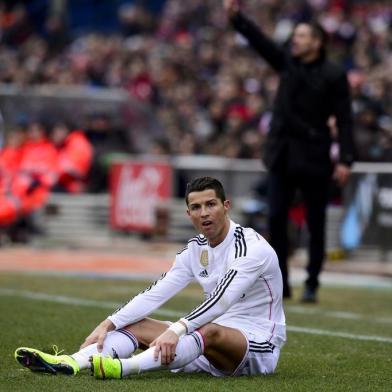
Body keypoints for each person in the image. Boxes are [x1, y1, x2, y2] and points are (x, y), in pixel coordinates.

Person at [15, 176, 286, 379]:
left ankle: (121, 368)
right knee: (135, 323)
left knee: (206, 329)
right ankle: (71, 363)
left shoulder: (250, 247)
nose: (204, 213)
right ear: (188, 213)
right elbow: (156, 292)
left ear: (226, 206)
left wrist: (176, 330)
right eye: (196, 207)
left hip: (256, 346)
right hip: (204, 345)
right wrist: (108, 323)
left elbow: (221, 300)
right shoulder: (195, 249)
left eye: (211, 204)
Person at [224, 0, 355, 302]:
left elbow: (345, 119)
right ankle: (281, 280)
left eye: (302, 36)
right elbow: (261, 43)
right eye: (295, 35)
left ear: (317, 42)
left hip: (314, 155)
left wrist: (346, 158)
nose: (295, 40)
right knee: (277, 219)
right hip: (282, 154)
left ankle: (312, 282)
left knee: (315, 222)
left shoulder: (334, 75)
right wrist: (237, 18)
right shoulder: (288, 63)